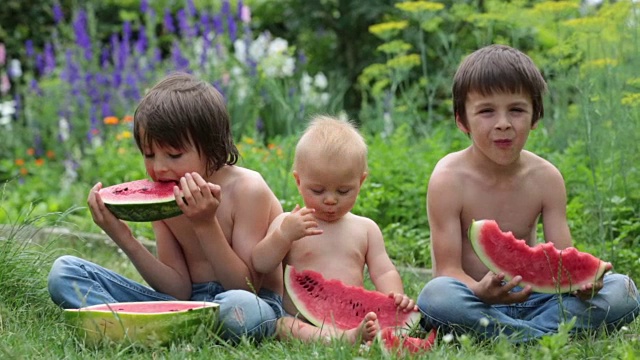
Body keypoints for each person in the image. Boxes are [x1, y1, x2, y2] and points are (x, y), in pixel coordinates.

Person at [417, 44, 640, 343]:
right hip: (476, 298)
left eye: (517, 110)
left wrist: (583, 285)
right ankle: (548, 336)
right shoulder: (448, 179)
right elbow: (447, 271)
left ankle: (512, 336)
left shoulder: (546, 178)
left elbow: (563, 265)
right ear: (461, 120)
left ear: (535, 117)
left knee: (623, 290)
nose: (503, 123)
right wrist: (479, 291)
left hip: (540, 300)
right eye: (486, 111)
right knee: (437, 296)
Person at [47, 72, 285, 343]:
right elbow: (178, 290)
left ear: (212, 148)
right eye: (149, 155)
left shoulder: (247, 190)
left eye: (174, 155)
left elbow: (247, 286)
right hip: (186, 306)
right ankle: (156, 329)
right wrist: (124, 238)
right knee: (64, 272)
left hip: (249, 301)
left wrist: (206, 224)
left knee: (239, 308)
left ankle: (147, 330)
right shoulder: (164, 195)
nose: (159, 168)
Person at [251, 115, 417, 345]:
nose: (330, 200)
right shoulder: (287, 222)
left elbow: (384, 271)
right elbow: (260, 263)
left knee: (377, 325)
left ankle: (357, 334)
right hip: (299, 318)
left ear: (361, 182)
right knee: (282, 326)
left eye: (343, 191)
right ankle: (340, 340)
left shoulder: (366, 228)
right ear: (298, 182)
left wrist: (395, 299)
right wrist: (284, 236)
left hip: (353, 317)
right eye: (318, 190)